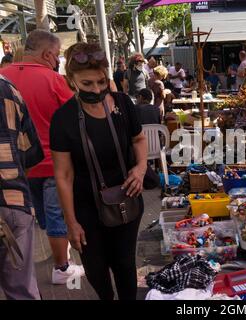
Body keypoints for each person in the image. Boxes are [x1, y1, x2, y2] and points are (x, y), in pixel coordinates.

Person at [50, 42, 148, 300]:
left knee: (125, 265)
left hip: (127, 199)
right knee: (96, 270)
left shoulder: (123, 103)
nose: (97, 90)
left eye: (101, 82)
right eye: (87, 84)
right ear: (71, 80)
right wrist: (71, 222)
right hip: (86, 209)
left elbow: (139, 140)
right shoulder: (63, 119)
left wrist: (139, 168)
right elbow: (63, 175)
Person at [0, 29, 85, 285]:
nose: (57, 59)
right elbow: (77, 117)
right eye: (57, 55)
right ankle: (62, 268)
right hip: (52, 162)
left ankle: (51, 257)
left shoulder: (4, 77)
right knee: (56, 215)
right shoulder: (53, 79)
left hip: (19, 167)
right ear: (48, 53)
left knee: (41, 218)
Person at [0, 75, 44, 299]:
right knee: (22, 290)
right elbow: (31, 151)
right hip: (14, 200)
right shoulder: (9, 89)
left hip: (13, 202)